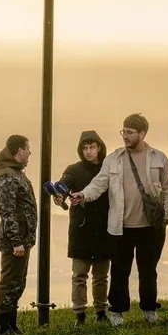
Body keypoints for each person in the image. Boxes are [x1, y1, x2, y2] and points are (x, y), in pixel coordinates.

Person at [71, 114, 168, 326]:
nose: (125, 136)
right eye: (123, 131)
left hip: (151, 226)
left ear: (142, 134)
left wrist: (165, 217)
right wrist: (83, 195)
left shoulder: (158, 158)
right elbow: (99, 183)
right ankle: (117, 311)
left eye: (130, 132)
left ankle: (149, 309)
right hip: (120, 227)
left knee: (148, 271)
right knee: (119, 271)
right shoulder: (114, 158)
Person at [58, 130, 111, 324]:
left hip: (104, 229)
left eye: (92, 147)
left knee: (101, 276)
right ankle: (79, 314)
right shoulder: (74, 170)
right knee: (79, 275)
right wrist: (59, 195)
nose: (88, 151)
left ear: (99, 148)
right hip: (81, 230)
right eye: (85, 148)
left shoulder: (108, 169)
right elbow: (63, 184)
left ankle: (101, 312)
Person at [0, 134, 37, 335]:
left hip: (22, 239)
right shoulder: (7, 176)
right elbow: (8, 211)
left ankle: (11, 324)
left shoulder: (16, 173)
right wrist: (16, 241)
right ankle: (2, 328)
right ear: (19, 150)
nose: (29, 153)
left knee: (18, 283)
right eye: (27, 148)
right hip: (14, 241)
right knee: (9, 282)